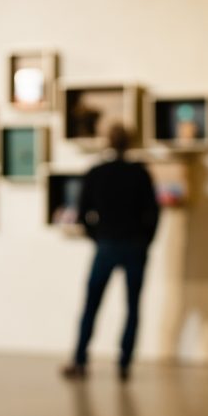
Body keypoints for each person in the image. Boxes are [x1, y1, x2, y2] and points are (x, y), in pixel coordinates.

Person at [62, 124, 160, 382]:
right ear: (129, 143)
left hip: (107, 245)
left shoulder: (97, 172)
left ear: (107, 142)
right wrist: (145, 241)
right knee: (132, 306)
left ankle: (80, 359)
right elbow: (153, 213)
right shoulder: (139, 173)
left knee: (92, 305)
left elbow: (83, 214)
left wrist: (99, 237)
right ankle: (124, 364)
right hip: (134, 245)